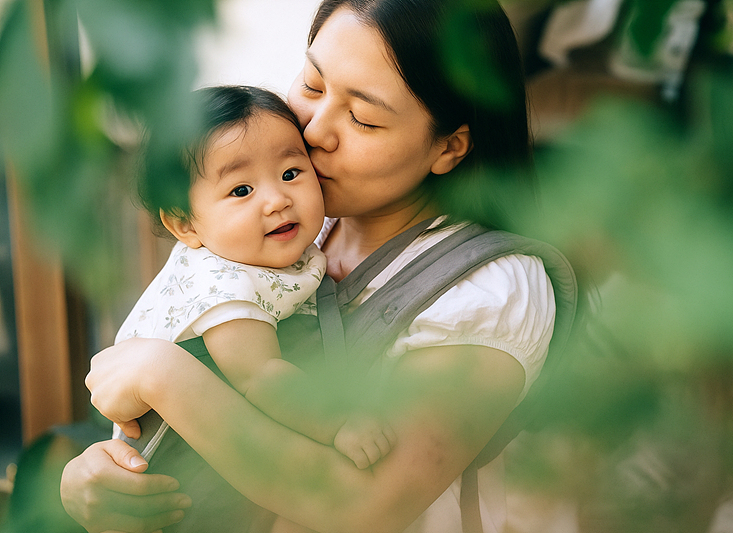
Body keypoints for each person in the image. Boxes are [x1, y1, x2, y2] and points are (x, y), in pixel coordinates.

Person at [61, 1, 563, 532]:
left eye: (363, 118)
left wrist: (162, 374)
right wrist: (93, 479)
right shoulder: (288, 233)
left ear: (449, 146)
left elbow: (360, 502)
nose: (316, 130)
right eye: (313, 84)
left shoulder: (487, 289)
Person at [114, 84, 393, 470]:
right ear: (184, 224)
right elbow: (260, 377)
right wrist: (339, 423)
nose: (278, 199)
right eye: (241, 190)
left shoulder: (262, 253)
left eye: (291, 172)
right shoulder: (222, 283)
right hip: (173, 463)